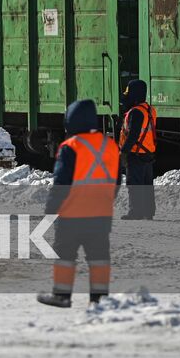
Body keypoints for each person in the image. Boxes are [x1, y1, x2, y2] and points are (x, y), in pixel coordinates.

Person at [38, 98, 120, 308]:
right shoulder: (109, 145)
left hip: (72, 215)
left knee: (65, 255)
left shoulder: (71, 146)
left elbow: (61, 183)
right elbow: (117, 180)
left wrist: (51, 209)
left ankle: (62, 296)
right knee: (99, 258)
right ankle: (99, 299)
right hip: (101, 215)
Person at [117, 79, 156, 219]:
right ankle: (148, 212)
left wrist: (124, 150)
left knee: (134, 184)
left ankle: (136, 212)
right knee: (146, 185)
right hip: (147, 152)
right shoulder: (149, 110)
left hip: (136, 153)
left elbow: (133, 134)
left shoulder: (136, 112)